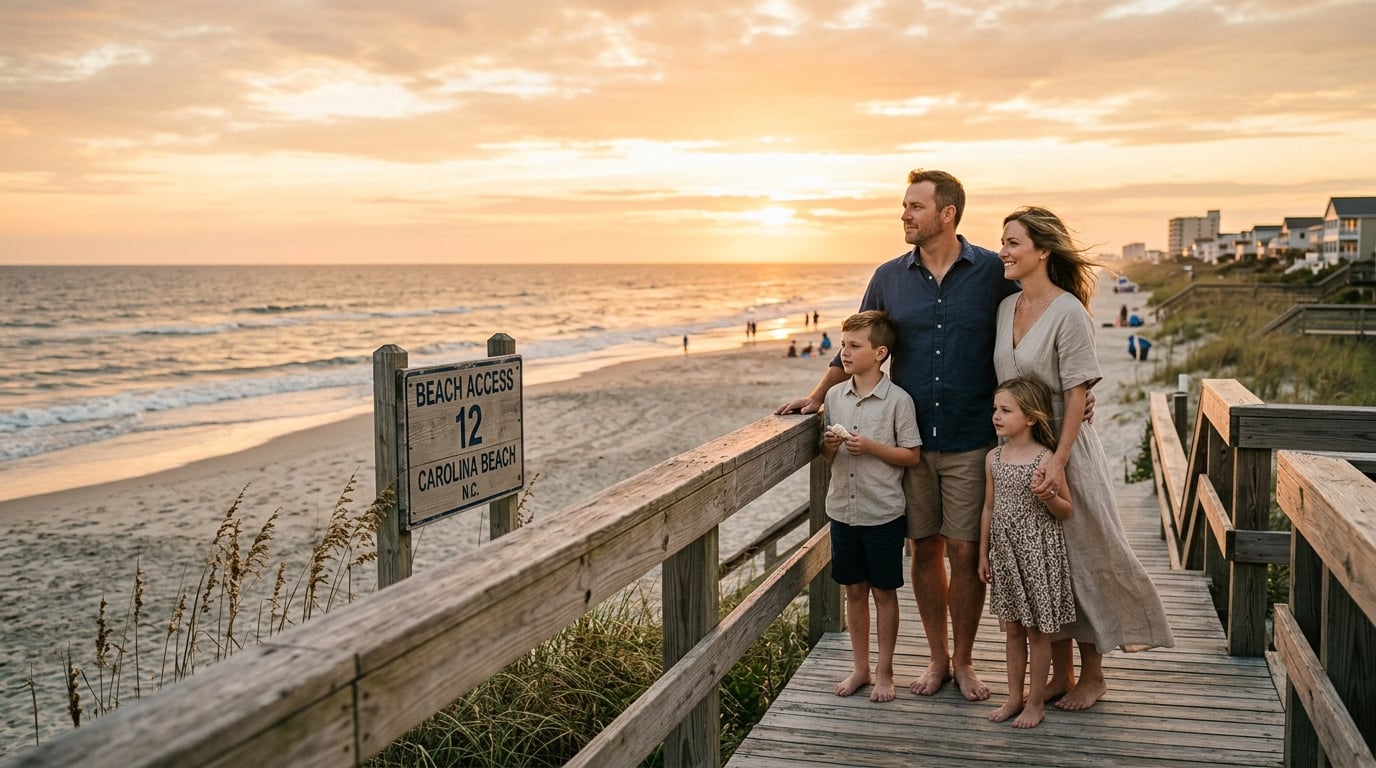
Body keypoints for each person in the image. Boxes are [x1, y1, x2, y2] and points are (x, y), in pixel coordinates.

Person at [776, 169, 1019, 701]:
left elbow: (1039, 319)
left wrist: (1076, 390)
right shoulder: (888, 278)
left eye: (914, 206)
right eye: (904, 206)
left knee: (963, 549)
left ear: (947, 213)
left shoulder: (993, 274)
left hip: (971, 436)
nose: (904, 215)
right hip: (907, 443)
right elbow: (858, 343)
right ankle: (937, 661)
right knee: (924, 549)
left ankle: (965, 660)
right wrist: (818, 396)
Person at [994, 205, 1174, 711]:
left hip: (1066, 452)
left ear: (1043, 251)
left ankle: (1093, 675)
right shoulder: (1006, 308)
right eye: (1002, 242)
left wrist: (1059, 459)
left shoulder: (1069, 310)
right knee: (1047, 566)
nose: (1003, 251)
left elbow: (1077, 394)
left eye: (1013, 243)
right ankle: (1061, 674)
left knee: (1085, 558)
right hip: (1021, 452)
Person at [822, 310, 923, 702]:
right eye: (843, 344)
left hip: (882, 513)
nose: (844, 353)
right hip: (842, 511)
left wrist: (872, 448)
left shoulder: (898, 401)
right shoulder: (834, 396)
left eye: (853, 346)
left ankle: (885, 672)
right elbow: (827, 456)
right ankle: (860, 668)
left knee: (883, 593)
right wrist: (829, 447)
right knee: (853, 591)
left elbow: (911, 456)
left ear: (880, 353)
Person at [979, 377, 1075, 728]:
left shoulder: (1046, 458)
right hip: (1005, 556)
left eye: (1006, 410)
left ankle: (1036, 702)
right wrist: (983, 554)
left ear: (1031, 417)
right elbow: (988, 508)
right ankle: (1013, 698)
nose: (997, 416)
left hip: (1038, 555)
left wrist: (1047, 496)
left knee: (1037, 632)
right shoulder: (993, 457)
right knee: (1013, 631)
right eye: (995, 409)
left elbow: (1067, 510)